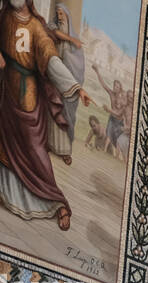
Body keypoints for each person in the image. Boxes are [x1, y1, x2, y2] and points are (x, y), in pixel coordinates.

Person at [0, 0, 94, 231]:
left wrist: (77, 89)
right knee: (0, 137)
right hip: (5, 87)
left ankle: (58, 203)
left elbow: (51, 60)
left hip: (25, 95)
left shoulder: (37, 28)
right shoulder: (5, 13)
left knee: (34, 150)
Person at [45, 3, 85, 166]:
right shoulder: (54, 28)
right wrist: (69, 39)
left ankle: (65, 151)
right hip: (54, 75)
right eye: (57, 13)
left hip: (68, 81)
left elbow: (78, 66)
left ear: (67, 15)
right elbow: (54, 33)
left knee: (66, 115)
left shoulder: (75, 41)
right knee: (51, 109)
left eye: (62, 14)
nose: (59, 16)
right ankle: (49, 143)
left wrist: (74, 80)